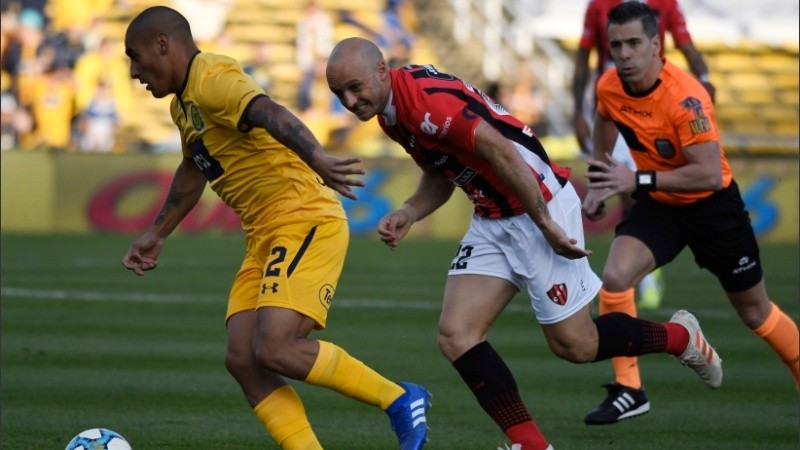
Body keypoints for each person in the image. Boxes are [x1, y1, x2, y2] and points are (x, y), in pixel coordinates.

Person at [327, 36, 723, 450]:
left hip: (539, 206)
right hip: (492, 216)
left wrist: (546, 223)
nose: (350, 101)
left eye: (355, 87)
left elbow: (500, 150)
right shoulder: (391, 114)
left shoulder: (425, 104)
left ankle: (680, 337)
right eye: (340, 94)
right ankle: (531, 445)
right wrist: (409, 211)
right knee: (456, 334)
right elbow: (441, 170)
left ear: (380, 69)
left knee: (576, 345)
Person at [120, 7, 431, 450]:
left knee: (278, 348)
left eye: (135, 56)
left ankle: (400, 399)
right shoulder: (183, 105)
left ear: (162, 45)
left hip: (303, 216)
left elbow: (265, 110)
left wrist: (317, 156)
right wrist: (157, 232)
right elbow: (194, 167)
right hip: (264, 233)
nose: (134, 71)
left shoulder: (211, 77)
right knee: (243, 358)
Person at [581, 1, 800, 426]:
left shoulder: (686, 98)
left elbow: (707, 175)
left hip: (712, 209)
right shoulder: (609, 85)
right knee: (614, 278)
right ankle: (630, 390)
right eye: (615, 46)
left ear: (656, 45)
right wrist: (601, 181)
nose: (623, 54)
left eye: (632, 44)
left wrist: (635, 182)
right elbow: (604, 119)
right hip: (660, 206)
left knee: (756, 313)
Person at [572, 0, 717, 313]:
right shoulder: (599, 6)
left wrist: (704, 79)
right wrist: (578, 111)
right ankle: (634, 267)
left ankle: (647, 270)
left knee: (637, 191)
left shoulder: (664, 4)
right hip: (612, 108)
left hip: (652, 108)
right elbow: (583, 58)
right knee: (625, 192)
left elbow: (686, 45)